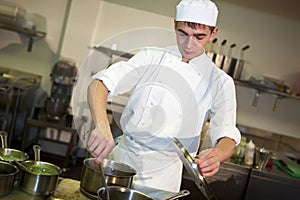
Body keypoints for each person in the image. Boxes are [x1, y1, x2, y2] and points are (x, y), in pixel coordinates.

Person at [87, 0, 241, 193]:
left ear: (213, 33)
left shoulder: (220, 82)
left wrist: (218, 154)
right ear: (174, 24)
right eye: (183, 33)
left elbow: (227, 134)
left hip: (163, 178)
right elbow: (99, 84)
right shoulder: (150, 57)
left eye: (199, 36)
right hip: (122, 162)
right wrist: (101, 124)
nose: (189, 44)